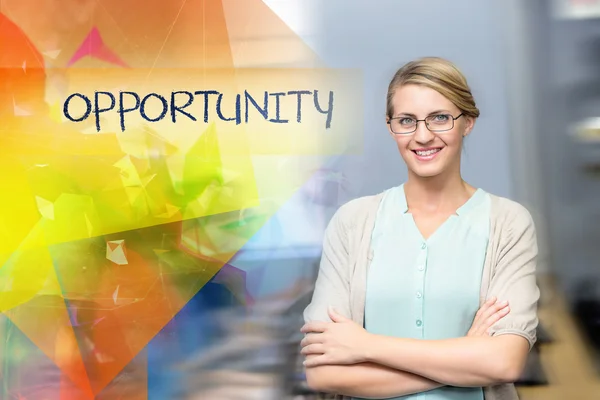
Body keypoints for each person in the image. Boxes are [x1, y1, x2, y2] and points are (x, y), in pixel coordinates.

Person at [300, 57, 540, 400]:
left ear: (468, 122)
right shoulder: (353, 222)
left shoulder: (508, 222)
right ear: (390, 125)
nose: (422, 136)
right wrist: (467, 356)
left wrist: (365, 345)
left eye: (440, 118)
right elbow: (322, 373)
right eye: (406, 121)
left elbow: (503, 363)